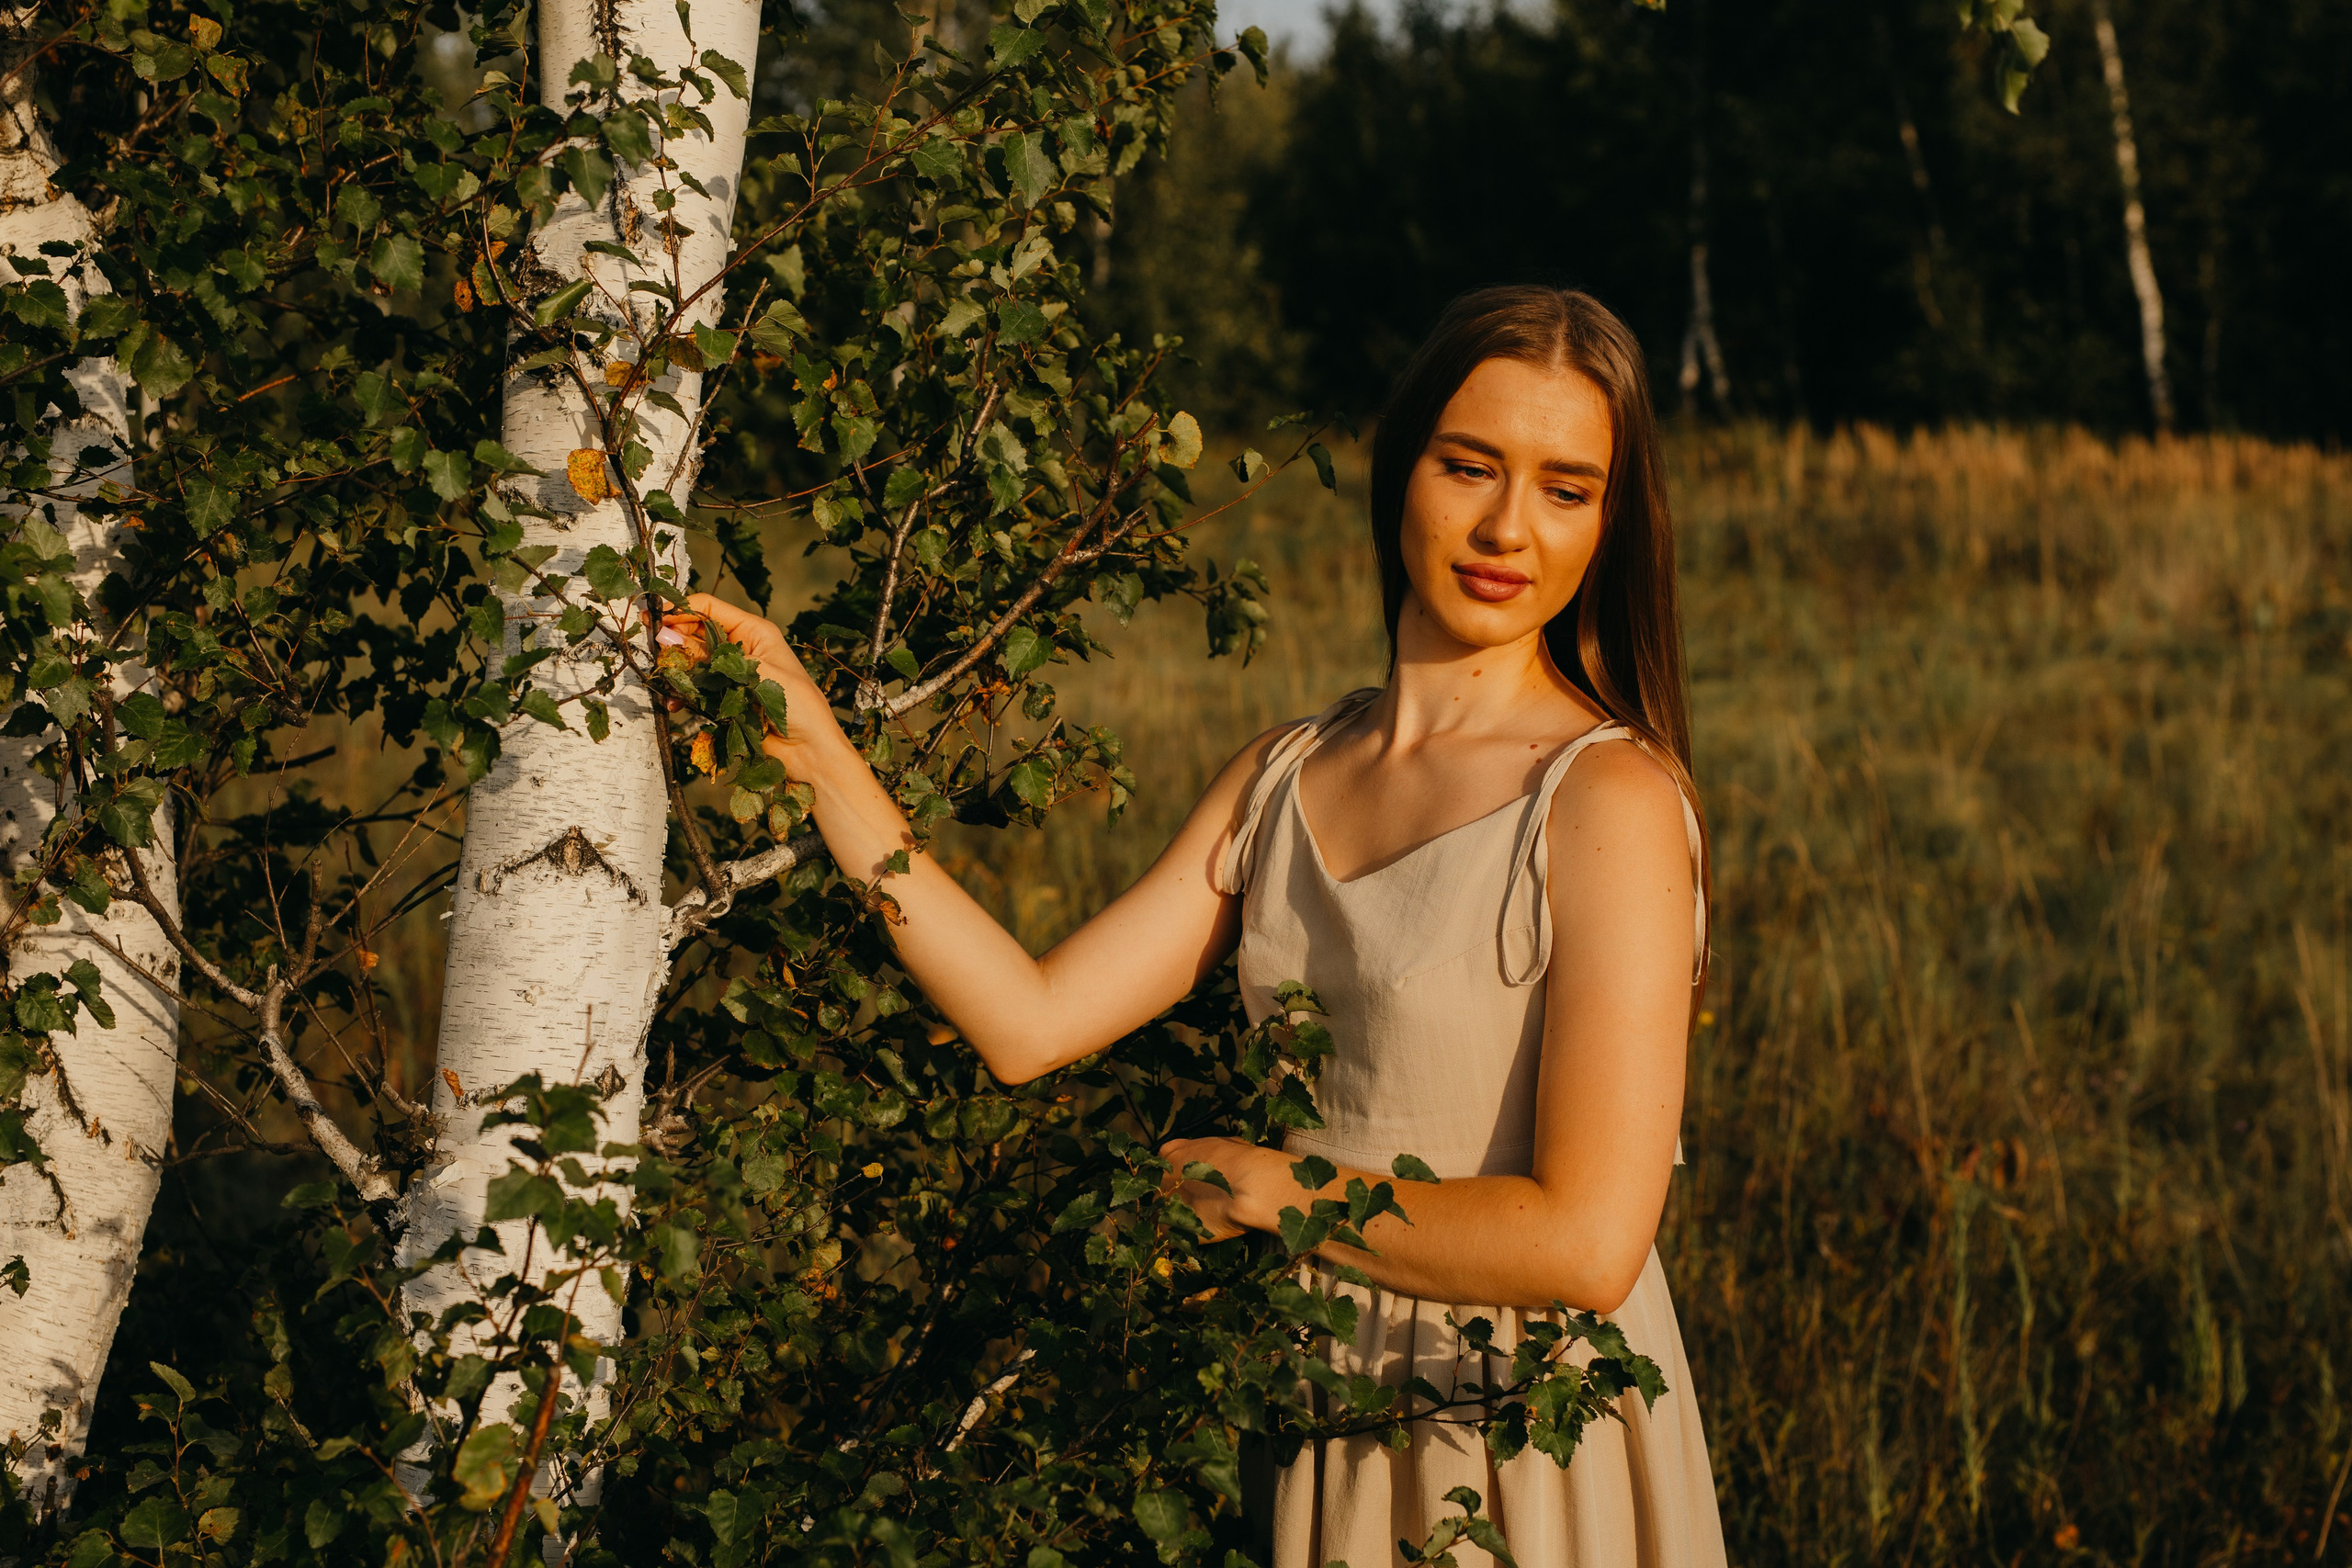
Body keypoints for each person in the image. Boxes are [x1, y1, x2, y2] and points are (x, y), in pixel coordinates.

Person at [669, 285, 1727, 1567]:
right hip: (1322, 1397)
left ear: (1612, 524)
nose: (1508, 526)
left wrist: (1271, 1190)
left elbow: (1590, 1244)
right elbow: (1029, 1023)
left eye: (1568, 488)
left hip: (1519, 1419)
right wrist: (824, 758)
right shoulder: (1284, 773)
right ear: (1404, 472)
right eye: (1470, 466)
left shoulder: (1606, 797)